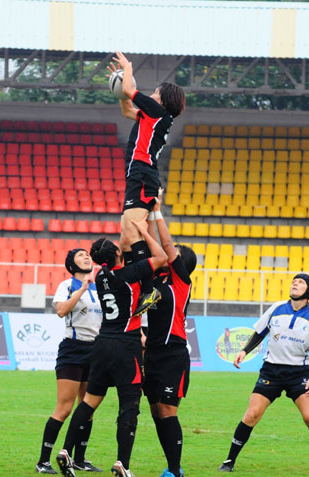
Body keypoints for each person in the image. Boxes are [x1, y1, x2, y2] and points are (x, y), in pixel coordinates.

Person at [56, 220, 168, 477]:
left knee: (88, 403)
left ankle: (65, 451)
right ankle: (122, 464)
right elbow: (161, 257)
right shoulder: (130, 273)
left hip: (102, 344)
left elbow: (117, 264)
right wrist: (143, 233)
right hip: (126, 345)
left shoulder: (101, 275)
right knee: (129, 405)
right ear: (118, 254)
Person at [218, 274, 309, 474]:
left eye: (300, 282)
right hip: (271, 371)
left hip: (298, 374)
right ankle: (229, 461)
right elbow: (260, 332)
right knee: (251, 414)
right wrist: (244, 351)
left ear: (308, 291)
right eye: (294, 281)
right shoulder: (277, 308)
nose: (295, 283)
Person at [107, 51, 185, 317]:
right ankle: (143, 286)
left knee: (130, 235)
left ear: (163, 100)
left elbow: (129, 89)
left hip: (142, 175)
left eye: (155, 92)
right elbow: (128, 106)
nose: (151, 95)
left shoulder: (157, 112)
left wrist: (127, 68)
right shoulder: (152, 116)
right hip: (138, 176)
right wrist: (120, 90)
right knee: (126, 240)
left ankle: (149, 285)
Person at [35, 249, 103, 474]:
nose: (86, 257)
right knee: (64, 408)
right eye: (80, 255)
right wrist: (82, 289)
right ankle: (43, 461)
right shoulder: (67, 286)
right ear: (71, 265)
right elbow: (61, 311)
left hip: (96, 350)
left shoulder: (101, 287)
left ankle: (80, 459)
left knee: (88, 407)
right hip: (72, 350)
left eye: (87, 255)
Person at [145, 192, 197, 477]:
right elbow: (154, 249)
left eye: (175, 252)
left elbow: (165, 246)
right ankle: (172, 467)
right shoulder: (158, 279)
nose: (169, 252)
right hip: (151, 353)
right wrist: (144, 227)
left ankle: (175, 470)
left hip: (172, 355)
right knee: (156, 412)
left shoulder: (181, 281)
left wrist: (157, 212)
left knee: (167, 411)